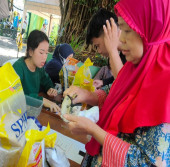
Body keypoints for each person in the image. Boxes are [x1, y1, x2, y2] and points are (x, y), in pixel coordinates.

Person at [63, 0, 170, 166]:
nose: (120, 38)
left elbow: (149, 162)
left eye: (126, 30)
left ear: (151, 29)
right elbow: (117, 93)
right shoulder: (136, 67)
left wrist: (94, 130)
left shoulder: (164, 87)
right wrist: (88, 95)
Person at [13, 30, 60, 112]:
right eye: (41, 53)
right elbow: (15, 96)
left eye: (46, 53)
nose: (45, 57)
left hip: (32, 110)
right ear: (30, 51)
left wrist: (50, 88)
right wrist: (42, 100)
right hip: (17, 111)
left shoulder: (39, 68)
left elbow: (46, 81)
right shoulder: (18, 68)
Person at [85, 8, 126, 90]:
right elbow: (121, 76)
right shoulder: (123, 54)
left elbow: (124, 86)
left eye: (97, 45)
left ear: (108, 31)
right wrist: (103, 82)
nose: (99, 51)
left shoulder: (134, 53)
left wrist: (112, 50)